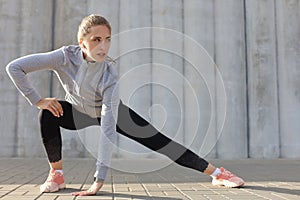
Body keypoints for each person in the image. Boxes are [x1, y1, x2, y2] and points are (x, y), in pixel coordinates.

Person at [6, 14, 244, 196]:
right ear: (82, 42)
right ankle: (56, 175)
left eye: (107, 40)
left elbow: (108, 129)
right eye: (96, 39)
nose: (103, 46)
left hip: (111, 113)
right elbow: (15, 67)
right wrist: (38, 100)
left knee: (161, 142)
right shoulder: (63, 56)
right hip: (76, 110)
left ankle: (217, 173)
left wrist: (98, 180)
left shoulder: (110, 72)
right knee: (47, 114)